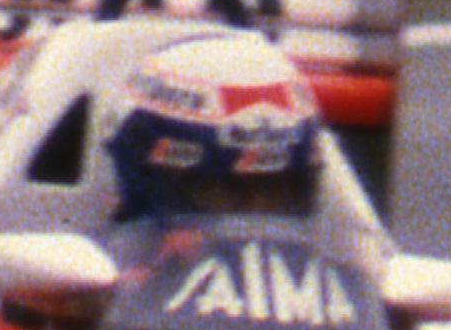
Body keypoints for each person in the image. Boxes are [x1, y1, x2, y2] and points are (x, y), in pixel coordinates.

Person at [98, 27, 330, 238]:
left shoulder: (338, 278)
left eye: (277, 194)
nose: (253, 225)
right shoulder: (97, 275)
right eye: (224, 194)